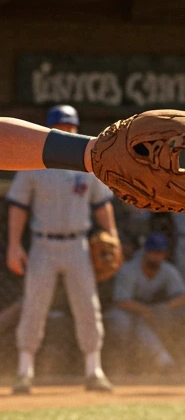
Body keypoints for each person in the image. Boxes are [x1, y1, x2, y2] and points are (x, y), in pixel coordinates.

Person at [6, 104, 117, 394]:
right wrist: (15, 246)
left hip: (78, 244)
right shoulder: (33, 162)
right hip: (43, 243)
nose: (67, 131)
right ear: (51, 129)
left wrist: (112, 235)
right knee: (34, 307)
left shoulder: (89, 163)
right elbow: (18, 207)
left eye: (71, 126)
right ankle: (25, 372)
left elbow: (101, 205)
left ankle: (94, 370)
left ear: (77, 129)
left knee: (88, 307)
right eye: (61, 127)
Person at [105, 232, 185, 372]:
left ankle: (168, 361)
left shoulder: (167, 270)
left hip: (150, 311)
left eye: (160, 252)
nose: (156, 256)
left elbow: (183, 297)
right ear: (146, 252)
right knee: (123, 321)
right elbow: (120, 301)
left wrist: (164, 308)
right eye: (153, 252)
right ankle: (122, 362)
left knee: (174, 315)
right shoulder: (130, 269)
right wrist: (145, 310)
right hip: (126, 311)